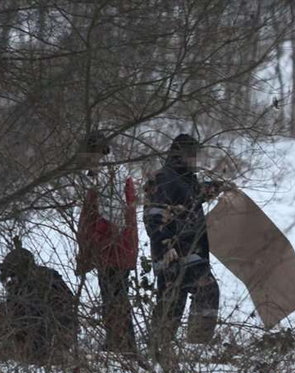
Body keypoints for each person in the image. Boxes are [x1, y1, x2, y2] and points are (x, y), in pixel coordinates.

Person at [143, 134, 227, 354]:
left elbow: (193, 196)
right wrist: (164, 247)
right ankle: (182, 346)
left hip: (190, 252)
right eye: (193, 155)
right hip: (174, 253)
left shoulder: (185, 178)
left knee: (174, 300)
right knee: (190, 295)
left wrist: (218, 187)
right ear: (181, 155)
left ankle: (164, 346)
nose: (196, 159)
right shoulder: (164, 179)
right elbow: (154, 216)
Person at [74, 132, 138, 353]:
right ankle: (120, 342)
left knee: (114, 297)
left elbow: (112, 220)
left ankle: (122, 345)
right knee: (114, 296)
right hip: (117, 249)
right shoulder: (110, 174)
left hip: (114, 250)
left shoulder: (110, 178)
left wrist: (95, 241)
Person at [0, 247, 78, 364]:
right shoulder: (19, 283)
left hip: (52, 332)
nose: (11, 277)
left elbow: (62, 304)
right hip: (41, 334)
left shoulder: (44, 278)